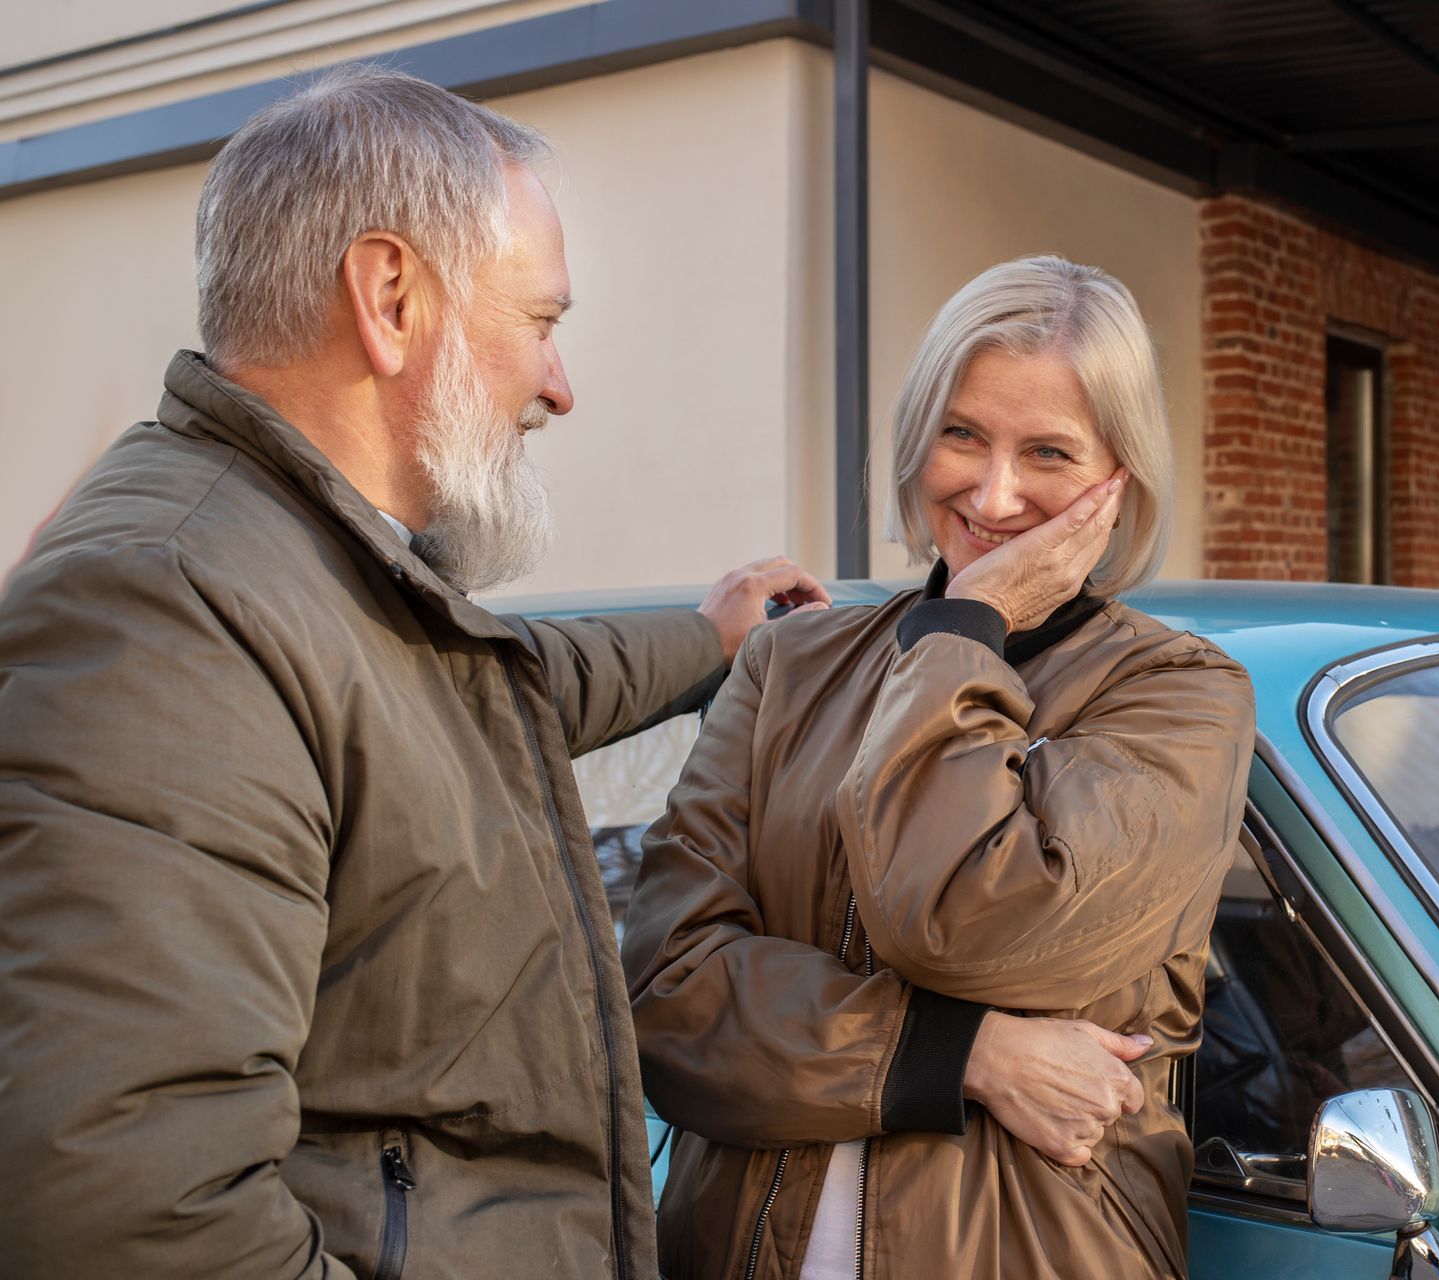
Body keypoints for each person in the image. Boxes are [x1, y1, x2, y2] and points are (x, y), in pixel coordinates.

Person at [0, 65, 830, 1278]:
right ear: (391, 294)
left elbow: (488, 682)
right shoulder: (168, 598)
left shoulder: (305, 569)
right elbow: (127, 1213)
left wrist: (706, 637)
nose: (559, 386)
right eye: (541, 322)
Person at [625, 255, 1258, 1278]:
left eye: (1048, 451)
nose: (993, 490)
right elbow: (667, 994)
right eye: (962, 433)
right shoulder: (792, 663)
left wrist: (966, 628)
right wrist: (967, 1054)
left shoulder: (1182, 696)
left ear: (1117, 480)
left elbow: (973, 922)